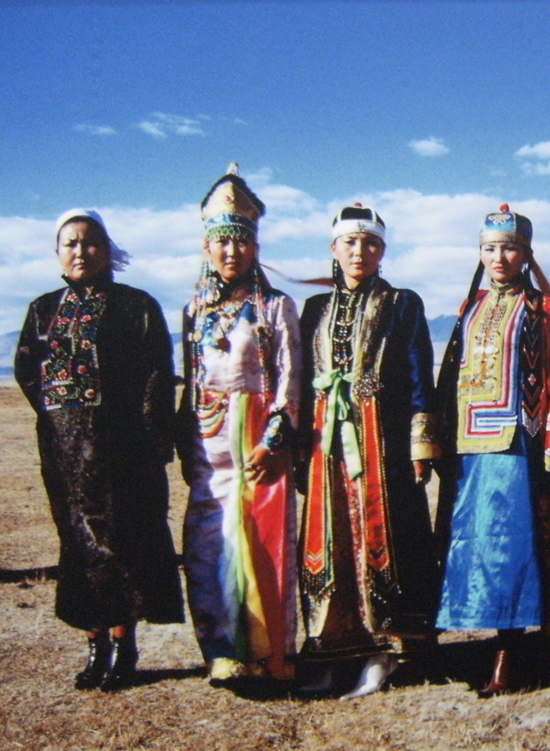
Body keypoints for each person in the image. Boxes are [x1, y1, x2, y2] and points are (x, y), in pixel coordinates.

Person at [15, 209, 184, 692]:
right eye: (70, 243)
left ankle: (124, 646)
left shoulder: (136, 305)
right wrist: (60, 416)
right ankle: (95, 648)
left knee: (121, 545)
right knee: (77, 545)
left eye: (90, 242)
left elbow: (157, 372)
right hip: (64, 453)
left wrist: (152, 438)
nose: (80, 251)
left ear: (108, 250)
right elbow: (28, 368)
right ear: (57, 252)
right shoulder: (42, 309)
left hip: (123, 449)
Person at [434, 205, 550, 697]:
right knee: (466, 542)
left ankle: (508, 651)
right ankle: (468, 637)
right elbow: (450, 373)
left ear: (526, 253)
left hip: (517, 441)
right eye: (490, 248)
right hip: (466, 444)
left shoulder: (543, 307)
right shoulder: (470, 305)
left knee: (508, 546)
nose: (499, 258)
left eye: (509, 248)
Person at [298, 203, 441, 699]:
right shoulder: (315, 308)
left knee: (388, 539)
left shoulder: (402, 303)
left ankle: (386, 652)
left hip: (384, 444)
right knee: (331, 539)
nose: (360, 251)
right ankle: (332, 647)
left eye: (371, 243)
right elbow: (301, 380)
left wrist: (420, 443)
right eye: (351, 242)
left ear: (383, 251)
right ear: (334, 248)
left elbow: (420, 374)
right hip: (327, 444)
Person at [179, 165, 300, 684]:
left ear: (255, 246)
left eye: (241, 241)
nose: (231, 252)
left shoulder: (275, 307)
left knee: (265, 541)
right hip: (209, 441)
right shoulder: (193, 311)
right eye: (222, 242)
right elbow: (190, 380)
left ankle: (271, 655)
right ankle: (221, 649)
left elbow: (291, 378)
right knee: (208, 545)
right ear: (207, 247)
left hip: (259, 439)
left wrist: (275, 437)